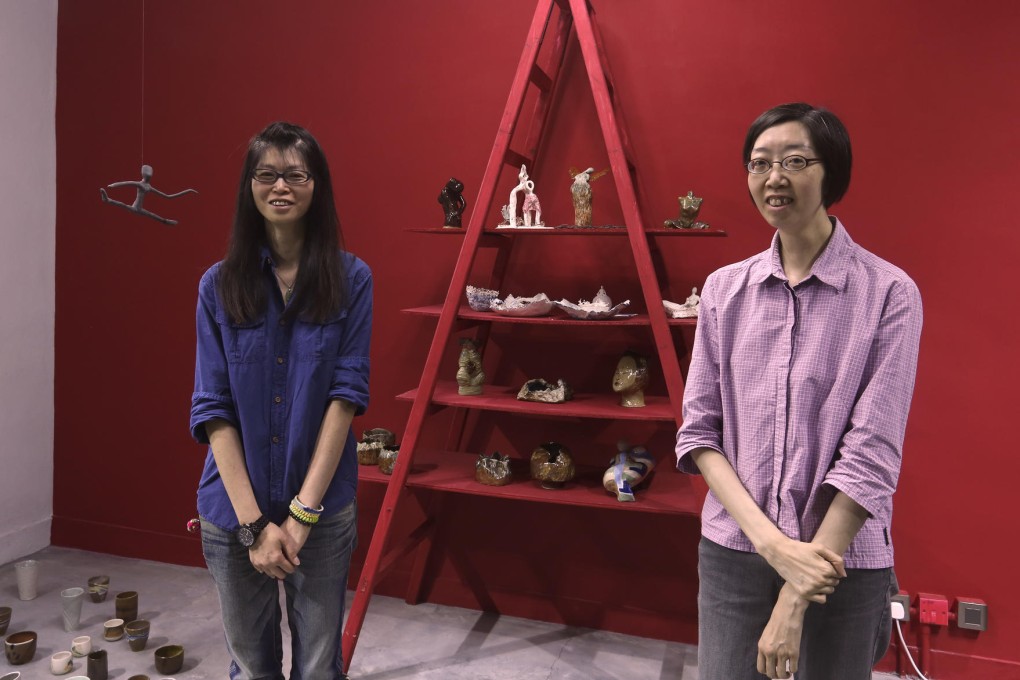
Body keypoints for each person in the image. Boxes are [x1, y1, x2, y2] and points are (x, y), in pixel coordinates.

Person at [675, 103, 922, 680]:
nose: (773, 177)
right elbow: (699, 433)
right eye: (759, 163)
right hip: (736, 551)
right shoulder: (723, 291)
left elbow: (872, 454)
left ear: (829, 171)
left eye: (794, 160)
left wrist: (796, 591)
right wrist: (772, 546)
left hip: (841, 561)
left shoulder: (888, 294)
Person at [190, 121, 372, 680]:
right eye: (266, 174)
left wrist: (300, 516)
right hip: (233, 512)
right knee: (251, 666)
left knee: (319, 667)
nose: (281, 186)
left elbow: (345, 397)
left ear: (316, 186)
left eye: (296, 174)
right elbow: (213, 409)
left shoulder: (351, 279)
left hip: (319, 509)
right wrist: (253, 527)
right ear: (250, 187)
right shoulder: (218, 286)